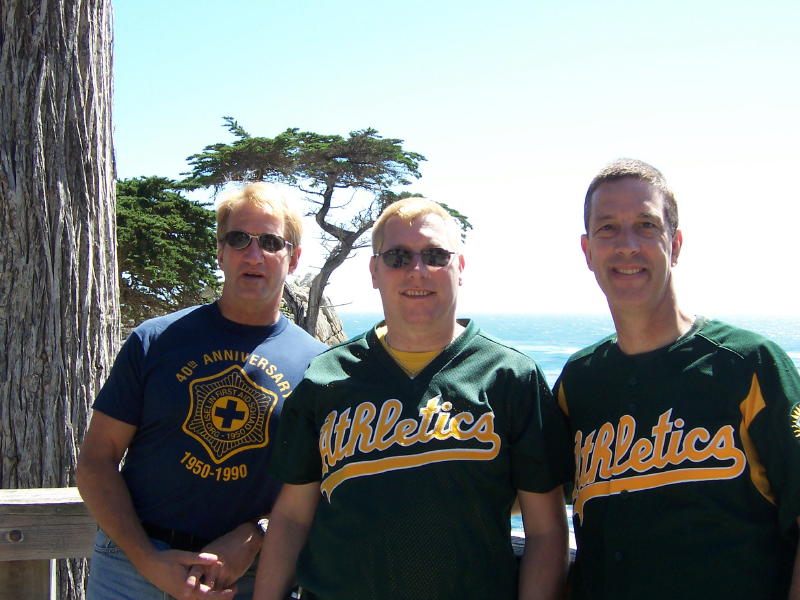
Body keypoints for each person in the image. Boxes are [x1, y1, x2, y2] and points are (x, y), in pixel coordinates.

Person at [253, 197, 572, 600]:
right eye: (398, 257)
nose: (417, 271)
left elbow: (545, 530)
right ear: (374, 270)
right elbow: (292, 517)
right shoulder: (325, 378)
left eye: (435, 255)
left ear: (460, 268)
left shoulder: (512, 378)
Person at [554, 158, 800, 599]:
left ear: (676, 243)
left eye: (646, 225)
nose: (627, 245)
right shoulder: (579, 381)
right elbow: (530, 490)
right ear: (588, 251)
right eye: (608, 228)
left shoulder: (750, 366)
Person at [76, 183, 327, 599]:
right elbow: (96, 462)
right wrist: (148, 561)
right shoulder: (154, 341)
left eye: (270, 242)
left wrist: (256, 533)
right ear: (220, 252)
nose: (253, 254)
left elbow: (310, 491)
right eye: (238, 239)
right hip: (131, 571)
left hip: (246, 578)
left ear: (293, 258)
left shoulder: (317, 366)